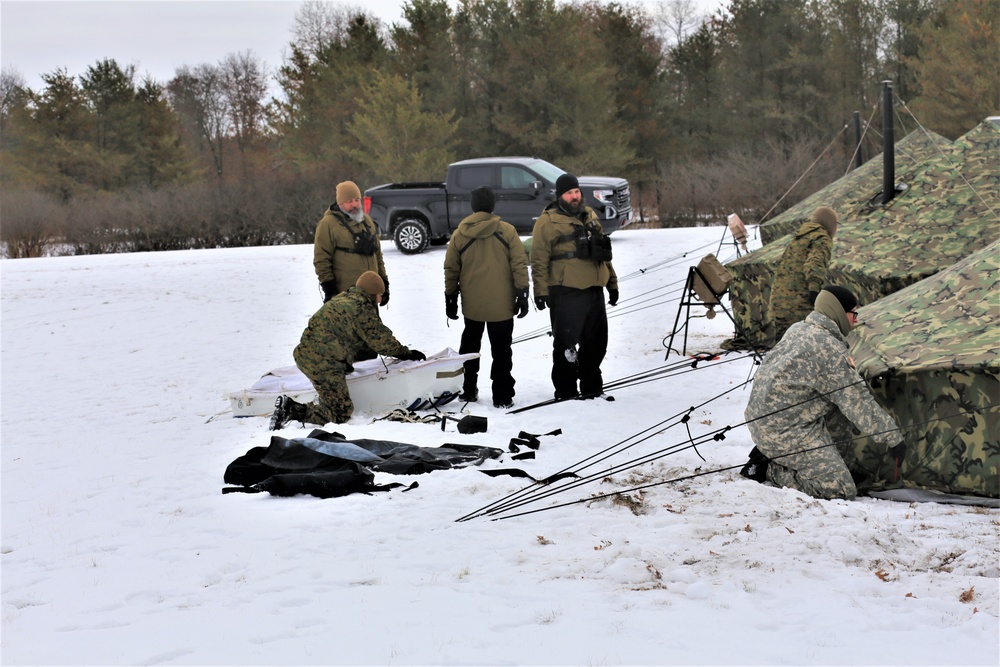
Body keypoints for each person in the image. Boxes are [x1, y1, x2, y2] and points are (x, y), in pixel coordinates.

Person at [741, 286, 904, 500]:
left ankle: (840, 466)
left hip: (771, 420)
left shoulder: (800, 328)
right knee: (839, 490)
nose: (856, 319)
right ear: (837, 312)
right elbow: (857, 401)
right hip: (784, 430)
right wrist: (893, 438)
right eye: (853, 313)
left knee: (835, 404)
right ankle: (769, 467)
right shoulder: (828, 348)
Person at [270, 271, 425, 430]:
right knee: (340, 412)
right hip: (324, 363)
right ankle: (291, 410)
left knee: (334, 398)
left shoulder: (344, 298)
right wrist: (407, 354)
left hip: (308, 355)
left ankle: (319, 402)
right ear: (372, 293)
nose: (380, 299)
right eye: (380, 294)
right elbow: (382, 341)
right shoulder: (361, 309)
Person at [530, 173, 619, 400]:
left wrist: (612, 283)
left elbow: (603, 252)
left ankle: (592, 386)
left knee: (597, 343)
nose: (574, 196)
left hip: (594, 290)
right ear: (560, 196)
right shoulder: (547, 221)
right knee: (566, 345)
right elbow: (538, 259)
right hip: (566, 290)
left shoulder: (589, 215)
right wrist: (540, 291)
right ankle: (566, 389)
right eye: (569, 193)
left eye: (577, 192)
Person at [443, 186, 530, 408]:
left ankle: (468, 389)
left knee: (470, 348)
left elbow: (451, 269)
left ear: (473, 206)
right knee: (501, 351)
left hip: (472, 305)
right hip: (502, 305)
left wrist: (451, 297)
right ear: (492, 206)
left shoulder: (460, 234)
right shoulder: (507, 231)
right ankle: (502, 395)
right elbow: (519, 263)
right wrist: (522, 292)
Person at [769, 206, 839, 342]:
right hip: (798, 304)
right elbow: (814, 264)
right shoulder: (822, 238)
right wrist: (814, 291)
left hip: (779, 302)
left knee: (783, 347)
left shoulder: (799, 236)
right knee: (800, 347)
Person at [313, 181, 389, 305]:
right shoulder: (328, 224)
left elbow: (378, 255)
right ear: (340, 203)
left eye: (357, 200)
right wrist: (329, 289)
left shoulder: (367, 222)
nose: (354, 205)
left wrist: (384, 284)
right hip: (346, 296)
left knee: (371, 324)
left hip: (371, 295)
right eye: (349, 201)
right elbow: (321, 260)